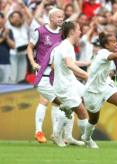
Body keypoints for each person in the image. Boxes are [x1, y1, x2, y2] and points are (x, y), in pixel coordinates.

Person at [27, 8, 83, 146]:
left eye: (63, 16)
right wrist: (33, 63)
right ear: (51, 18)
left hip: (57, 72)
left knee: (61, 103)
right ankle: (39, 131)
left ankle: (59, 134)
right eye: (58, 16)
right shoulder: (39, 31)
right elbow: (30, 48)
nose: (61, 18)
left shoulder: (62, 34)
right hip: (44, 72)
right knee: (46, 100)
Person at [50, 21, 89, 147]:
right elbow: (69, 64)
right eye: (78, 29)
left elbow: (71, 62)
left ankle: (67, 136)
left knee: (86, 97)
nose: (80, 32)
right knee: (82, 112)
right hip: (65, 85)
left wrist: (88, 63)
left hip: (70, 83)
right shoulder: (66, 46)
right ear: (72, 32)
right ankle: (88, 140)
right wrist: (87, 75)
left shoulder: (66, 46)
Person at [0, 12, 15, 83]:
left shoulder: (9, 31)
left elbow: (13, 46)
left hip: (6, 61)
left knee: (5, 85)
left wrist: (7, 37)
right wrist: (3, 37)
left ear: (3, 19)